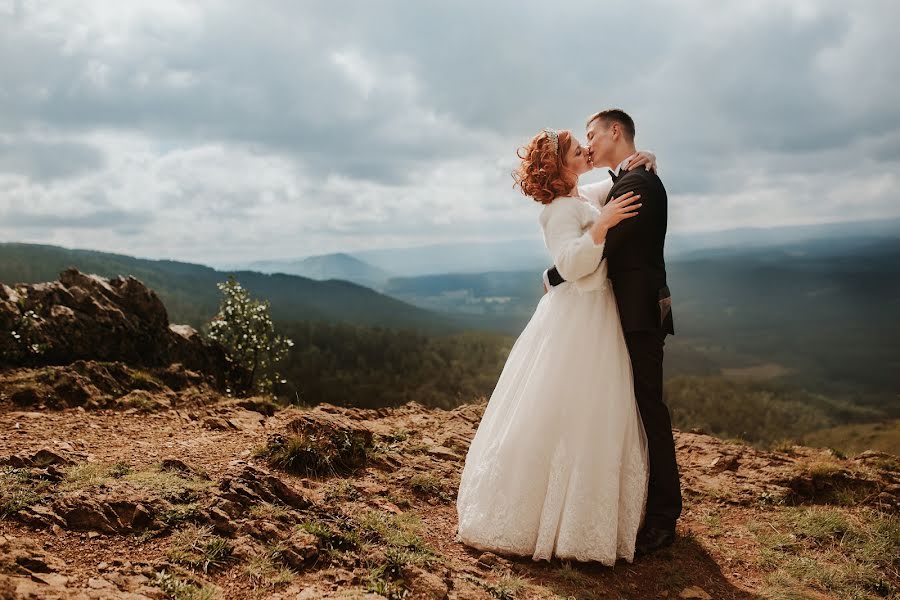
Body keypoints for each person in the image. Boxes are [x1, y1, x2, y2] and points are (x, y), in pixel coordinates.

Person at [455, 126, 657, 565]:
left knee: (595, 410)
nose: (585, 150)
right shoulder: (557, 212)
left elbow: (614, 184)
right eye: (575, 149)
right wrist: (601, 227)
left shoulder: (582, 196)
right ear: (561, 164)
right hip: (579, 313)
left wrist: (644, 160)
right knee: (566, 406)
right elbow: (571, 264)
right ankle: (546, 518)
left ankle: (583, 516)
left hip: (598, 312)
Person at [545, 109, 681, 556]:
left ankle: (663, 516)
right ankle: (643, 505)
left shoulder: (637, 184)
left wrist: (554, 277)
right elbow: (589, 211)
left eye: (592, 135)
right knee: (631, 406)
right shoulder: (625, 180)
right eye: (580, 142)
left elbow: (606, 249)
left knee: (648, 410)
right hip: (626, 310)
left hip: (639, 313)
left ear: (615, 131)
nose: (588, 145)